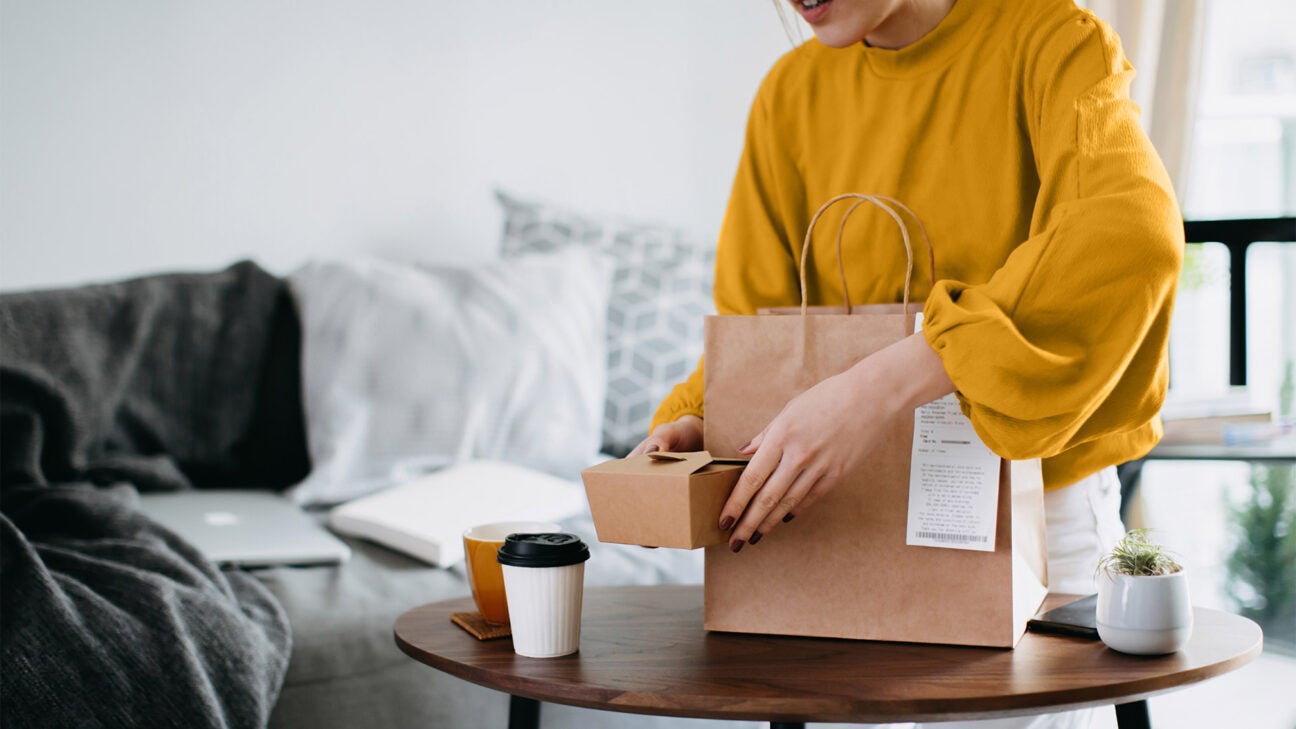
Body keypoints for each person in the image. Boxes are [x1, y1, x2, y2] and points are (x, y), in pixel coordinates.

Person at [631, 0, 1181, 603]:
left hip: (1034, 521)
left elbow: (1128, 238)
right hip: (837, 524)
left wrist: (878, 388)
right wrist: (703, 417)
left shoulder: (1052, 40)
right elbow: (753, 321)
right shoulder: (791, 92)